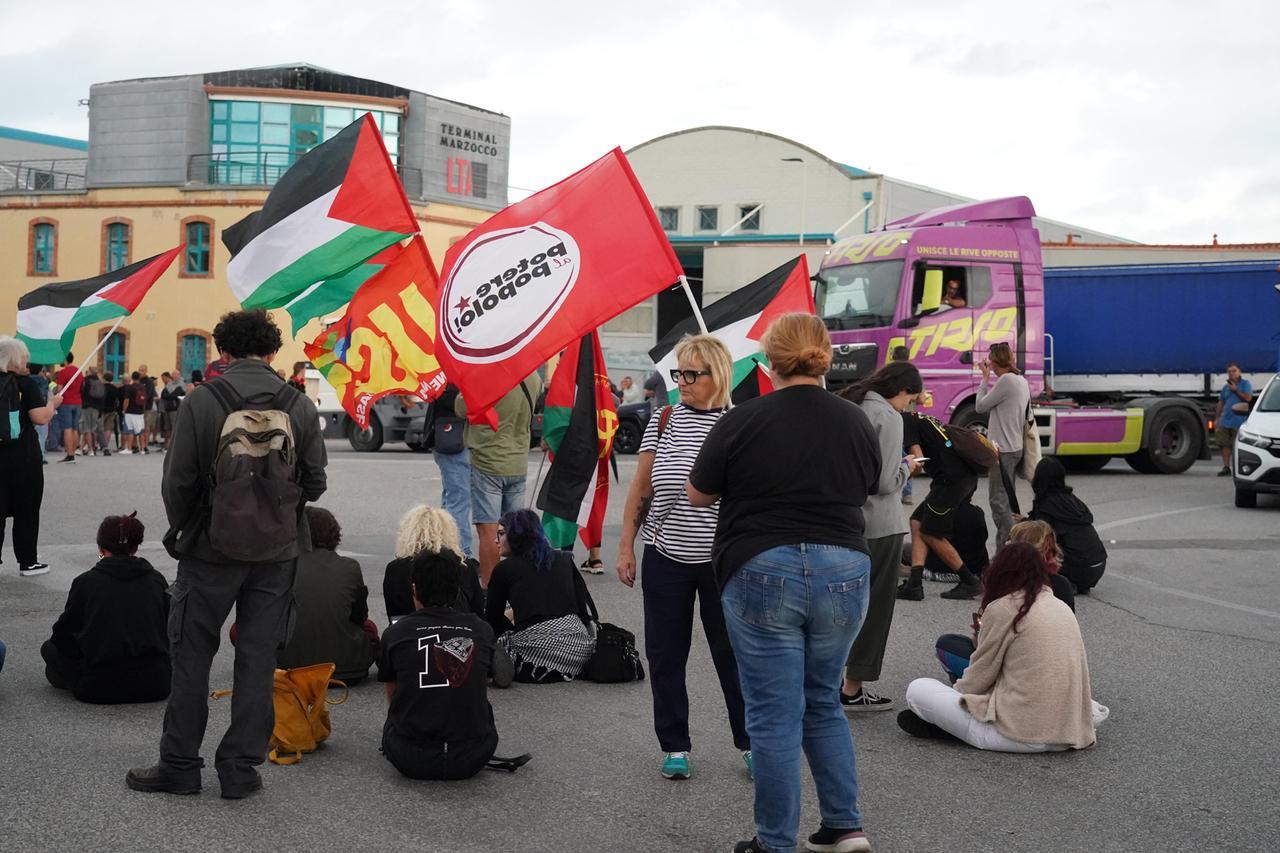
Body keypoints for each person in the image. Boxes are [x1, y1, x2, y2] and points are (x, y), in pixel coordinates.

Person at [687, 313, 881, 853]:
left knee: (772, 713)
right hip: (843, 564)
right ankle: (845, 825)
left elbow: (698, 496)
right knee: (822, 700)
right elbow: (865, 488)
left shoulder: (742, 420)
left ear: (768, 361)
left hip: (760, 564)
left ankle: (775, 842)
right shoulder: (855, 420)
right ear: (823, 356)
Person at [126, 308, 327, 800]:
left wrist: (190, 527)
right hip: (276, 554)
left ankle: (179, 765)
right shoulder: (297, 403)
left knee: (192, 658)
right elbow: (316, 483)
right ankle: (239, 770)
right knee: (257, 661)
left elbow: (178, 481)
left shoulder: (202, 401)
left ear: (223, 351)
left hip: (209, 551)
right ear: (273, 352)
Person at [617, 333, 750, 780]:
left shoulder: (739, 423)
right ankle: (674, 744)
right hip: (665, 555)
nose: (684, 381)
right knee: (666, 654)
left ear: (719, 375)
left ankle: (750, 742)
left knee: (732, 654)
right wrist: (625, 546)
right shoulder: (664, 419)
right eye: (680, 373)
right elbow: (642, 487)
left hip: (722, 561)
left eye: (693, 373)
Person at [899, 543, 1096, 753]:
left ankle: (949, 725)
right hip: (1067, 731)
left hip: (1018, 734)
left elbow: (978, 678)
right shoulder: (1060, 606)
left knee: (918, 689)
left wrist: (953, 702)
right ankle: (948, 724)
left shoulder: (1005, 607)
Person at [378, 548, 512, 780]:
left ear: (414, 589)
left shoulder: (395, 633)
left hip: (410, 757)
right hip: (473, 755)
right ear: (457, 590)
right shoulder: (481, 629)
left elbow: (394, 694)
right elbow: (484, 681)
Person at [837, 362, 926, 712]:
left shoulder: (850, 404)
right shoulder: (888, 417)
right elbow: (885, 482)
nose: (909, 406)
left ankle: (829, 680)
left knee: (841, 607)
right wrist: (909, 466)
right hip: (881, 524)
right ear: (901, 391)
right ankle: (853, 687)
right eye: (911, 399)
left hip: (845, 521)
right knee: (874, 609)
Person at [41, 513, 171, 703]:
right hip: (156, 683)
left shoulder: (87, 582)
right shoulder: (156, 580)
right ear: (135, 548)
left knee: (49, 650)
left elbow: (63, 635)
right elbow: (170, 629)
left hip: (99, 686)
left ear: (101, 548)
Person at [934, 520, 1073, 685]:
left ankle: (973, 689)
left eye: (1010, 540)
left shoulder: (1009, 585)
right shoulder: (1062, 585)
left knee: (945, 646)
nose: (1005, 543)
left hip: (1018, 673)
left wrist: (980, 631)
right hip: (1059, 672)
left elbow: (986, 646)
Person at [485, 509, 593, 683]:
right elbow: (582, 606)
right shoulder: (564, 558)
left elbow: (492, 620)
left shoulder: (504, 569)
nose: (495, 541)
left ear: (516, 535)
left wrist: (507, 620)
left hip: (536, 646)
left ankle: (508, 664)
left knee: (495, 639)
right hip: (577, 646)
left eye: (501, 534)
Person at [455, 372, 541, 584]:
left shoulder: (485, 375)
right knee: (516, 530)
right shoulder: (533, 377)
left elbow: (460, 407)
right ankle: (518, 585)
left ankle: (490, 588)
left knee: (489, 530)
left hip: (488, 460)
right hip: (518, 461)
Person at [274, 507, 378, 684]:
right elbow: (359, 616)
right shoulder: (349, 566)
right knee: (370, 628)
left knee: (243, 629)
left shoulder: (281, 566)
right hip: (348, 668)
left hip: (287, 665)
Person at [897, 413, 983, 601]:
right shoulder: (918, 417)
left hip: (950, 481)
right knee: (917, 522)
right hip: (961, 477)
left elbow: (918, 460)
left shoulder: (904, 421)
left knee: (930, 532)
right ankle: (914, 583)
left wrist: (899, 480)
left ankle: (970, 581)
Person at [0, 336, 62, 576]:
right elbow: (40, 418)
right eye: (24, 356)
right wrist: (53, 404)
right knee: (27, 510)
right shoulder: (26, 384)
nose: (27, 360)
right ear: (14, 358)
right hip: (23, 457)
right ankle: (28, 561)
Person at [383, 505, 482, 622]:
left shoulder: (396, 569)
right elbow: (478, 612)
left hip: (411, 631)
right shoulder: (465, 566)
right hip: (460, 630)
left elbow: (394, 615)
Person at [976, 341, 1030, 548]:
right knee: (1007, 500)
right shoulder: (1019, 380)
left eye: (990, 359)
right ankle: (1009, 549)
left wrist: (985, 379)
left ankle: (1008, 549)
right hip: (1014, 446)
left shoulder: (1006, 380)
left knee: (998, 502)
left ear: (995, 361)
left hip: (1003, 449)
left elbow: (980, 406)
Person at [1028, 457, 1108, 593]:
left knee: (1032, 549)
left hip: (1080, 567)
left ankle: (1065, 582)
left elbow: (1040, 537)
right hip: (1098, 564)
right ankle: (1077, 582)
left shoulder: (1047, 504)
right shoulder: (1072, 500)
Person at [430, 383, 475, 561]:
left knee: (452, 497)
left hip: (449, 438)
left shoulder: (442, 374)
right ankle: (461, 554)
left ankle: (443, 546)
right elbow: (454, 401)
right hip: (453, 439)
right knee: (459, 499)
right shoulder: (448, 378)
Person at [919, 498, 990, 583]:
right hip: (975, 571)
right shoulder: (977, 512)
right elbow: (983, 538)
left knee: (910, 549)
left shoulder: (940, 511)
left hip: (940, 571)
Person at [1215, 362, 1254, 475]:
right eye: (1229, 372)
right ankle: (1226, 467)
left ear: (1239, 372)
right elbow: (1221, 402)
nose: (1231, 373)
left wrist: (1236, 390)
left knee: (1238, 446)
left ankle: (1239, 468)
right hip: (1226, 420)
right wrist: (1217, 418)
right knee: (1225, 444)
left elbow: (1248, 398)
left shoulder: (1245, 384)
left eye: (1234, 371)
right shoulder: (1226, 387)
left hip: (1239, 420)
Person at [52, 352, 83, 463]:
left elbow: (60, 389)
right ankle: (73, 452)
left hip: (66, 403)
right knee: (75, 429)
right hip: (77, 402)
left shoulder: (63, 372)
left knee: (67, 428)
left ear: (65, 360)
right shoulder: (79, 371)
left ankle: (69, 455)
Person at [119, 371, 150, 455]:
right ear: (139, 378)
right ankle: (142, 449)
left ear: (132, 378)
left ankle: (129, 449)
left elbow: (126, 400)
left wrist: (124, 410)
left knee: (130, 431)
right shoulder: (143, 388)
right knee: (141, 431)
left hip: (130, 412)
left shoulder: (129, 387)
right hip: (140, 412)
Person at [79, 367, 106, 456]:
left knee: (87, 429)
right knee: (94, 429)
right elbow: (102, 397)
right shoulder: (100, 382)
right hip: (96, 408)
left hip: (87, 406)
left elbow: (82, 393)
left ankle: (90, 449)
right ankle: (94, 448)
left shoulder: (86, 381)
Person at [27, 362, 50, 463]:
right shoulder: (44, 381)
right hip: (42, 408)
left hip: (29, 409)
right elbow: (46, 395)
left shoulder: (26, 380)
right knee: (42, 435)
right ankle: (41, 456)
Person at [159, 371, 186, 449]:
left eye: (174, 375)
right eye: (172, 375)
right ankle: (166, 445)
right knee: (167, 427)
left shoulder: (182, 384)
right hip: (167, 408)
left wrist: (171, 395)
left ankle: (174, 445)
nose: (173, 376)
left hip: (175, 408)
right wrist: (172, 395)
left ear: (179, 375)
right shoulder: (169, 384)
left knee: (174, 426)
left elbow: (179, 393)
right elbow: (163, 395)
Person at [100, 372, 120, 455]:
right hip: (111, 410)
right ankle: (106, 445)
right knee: (108, 428)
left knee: (99, 428)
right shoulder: (114, 388)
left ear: (104, 378)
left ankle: (99, 444)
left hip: (102, 409)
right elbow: (117, 400)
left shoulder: (101, 387)